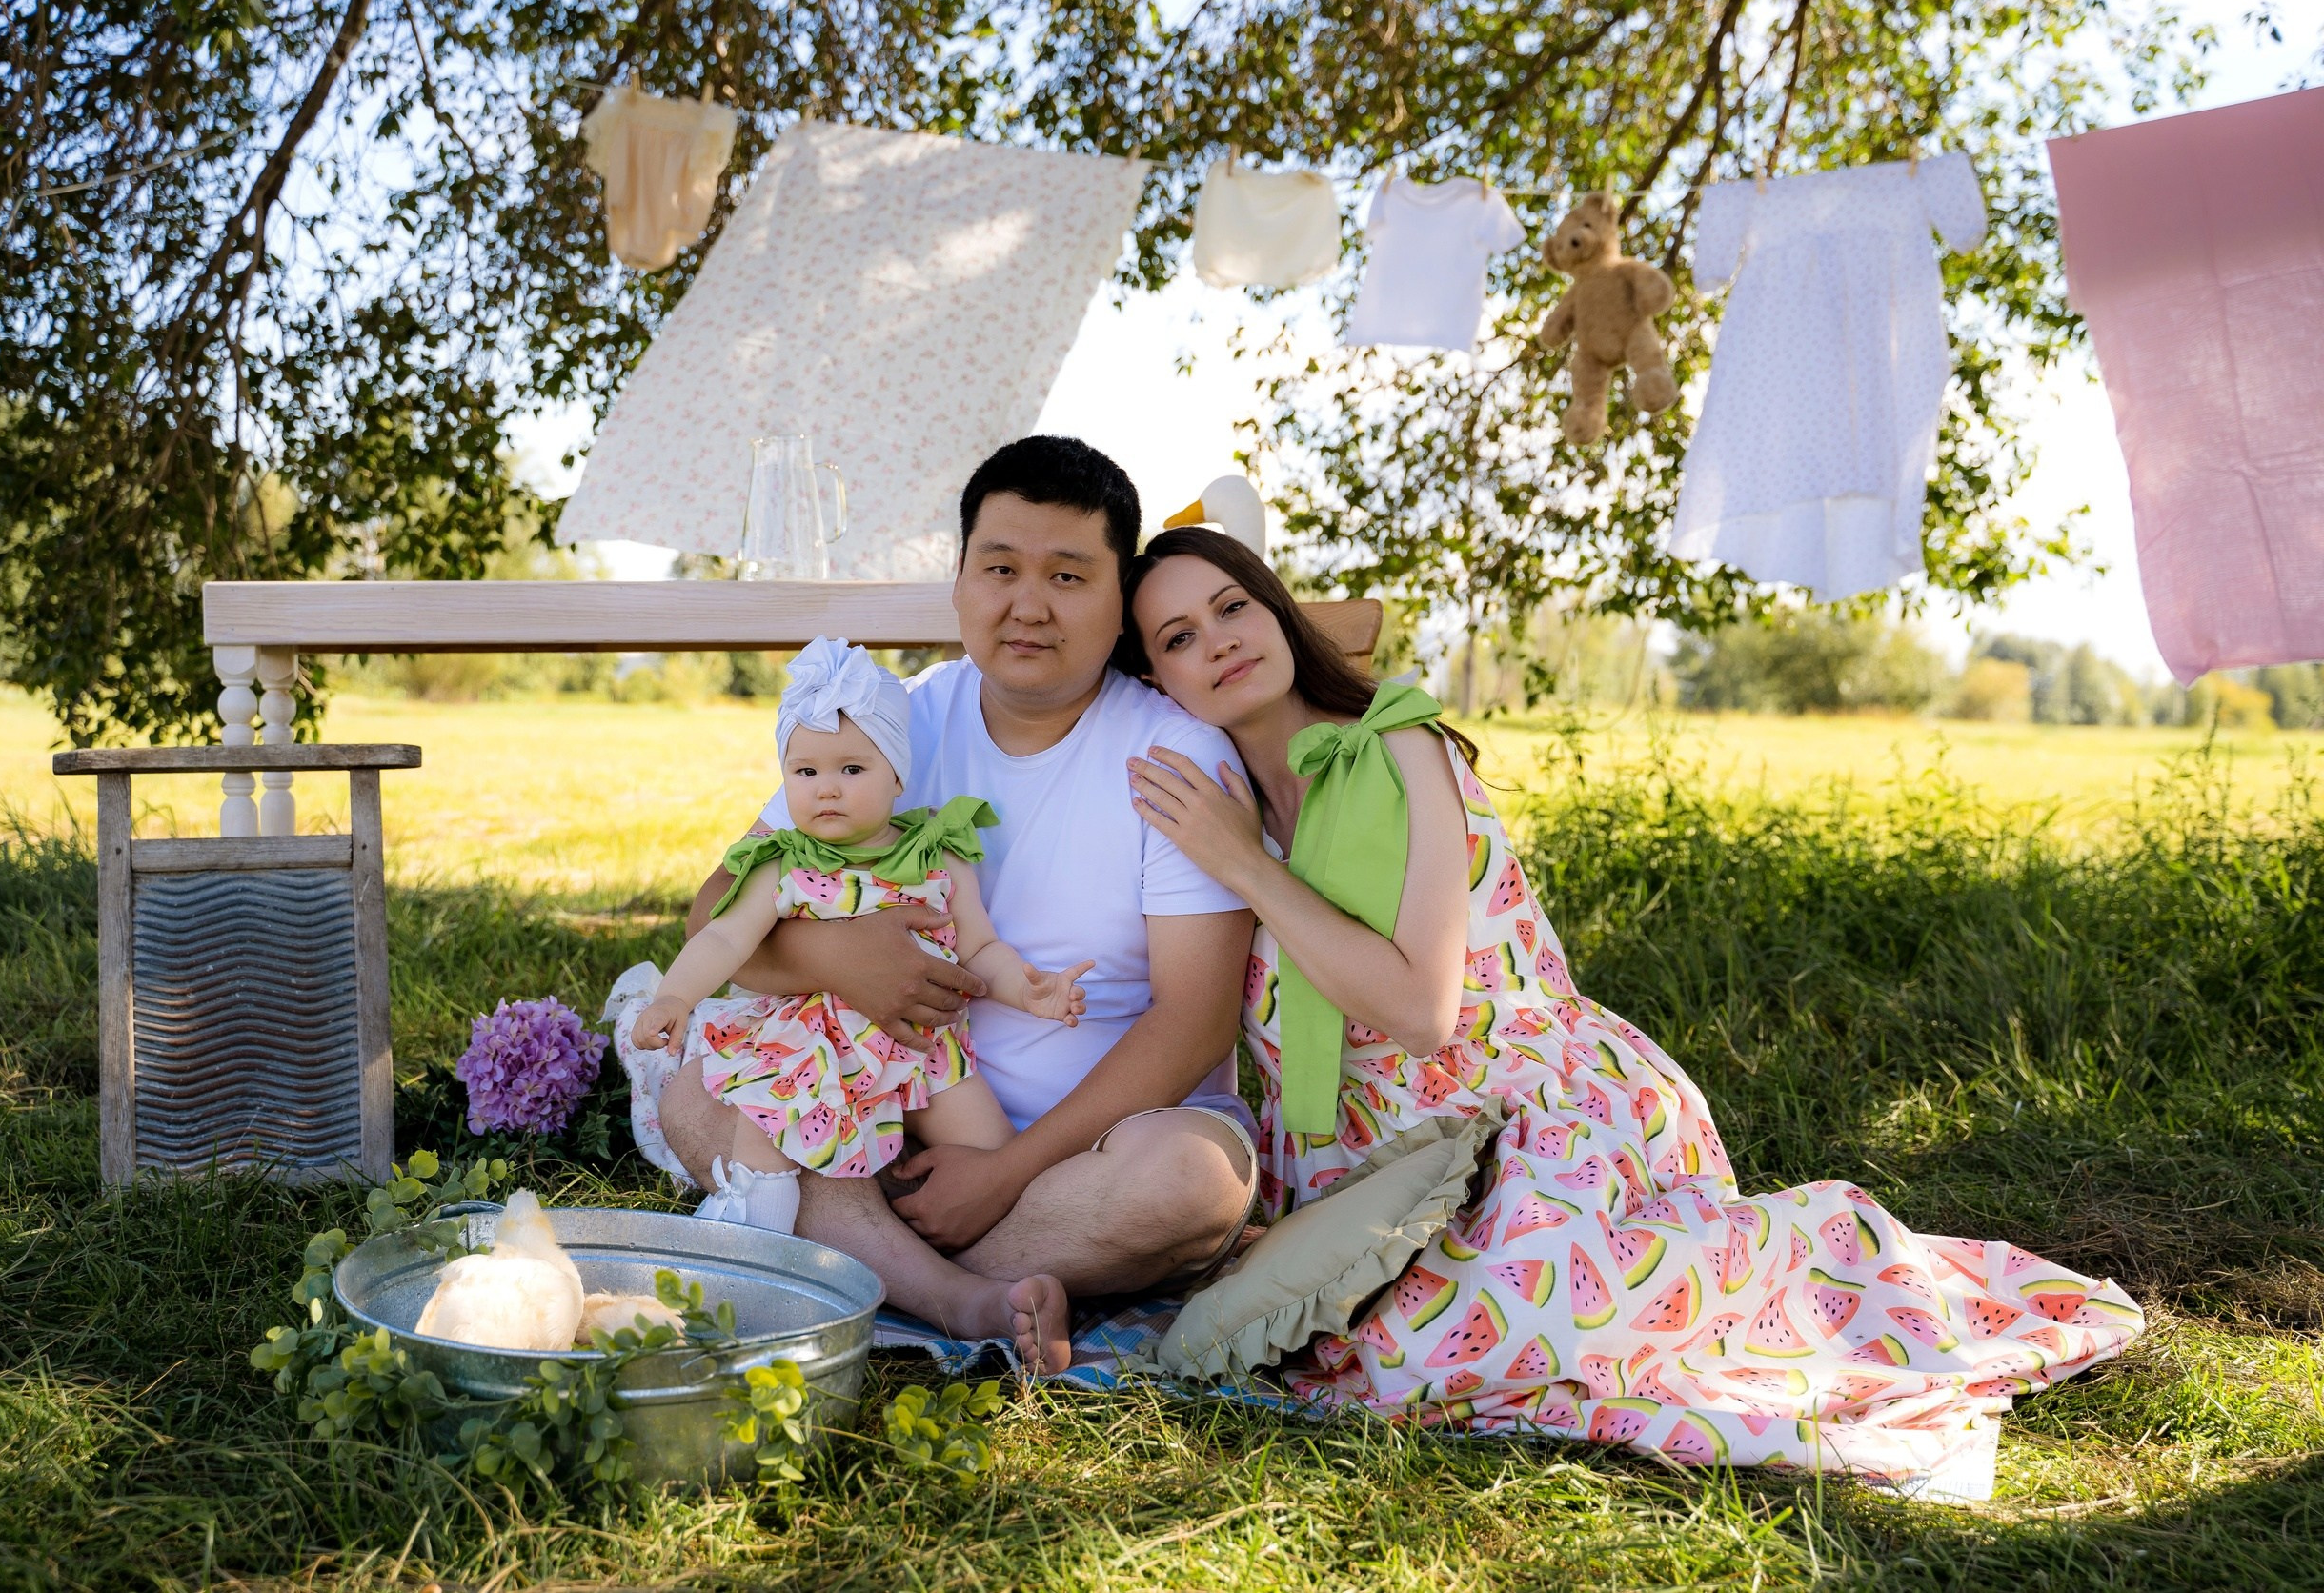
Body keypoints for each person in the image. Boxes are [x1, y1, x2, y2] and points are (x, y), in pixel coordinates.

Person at [1120, 525, 2145, 1488]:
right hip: (1358, 1157)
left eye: (1232, 607)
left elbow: (1423, 1014)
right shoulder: (1219, 810)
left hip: (1523, 1115)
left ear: (1276, 611)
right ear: (1156, 679)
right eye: (1178, 636)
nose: (1218, 641)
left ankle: (1833, 1257)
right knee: (1357, 1358)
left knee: (1468, 1348)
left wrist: (1246, 867)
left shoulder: (1396, 746)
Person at [657, 437, 1259, 1374]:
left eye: (1068, 576)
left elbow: (1195, 1021)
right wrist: (838, 958)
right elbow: (716, 916)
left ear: (1120, 600)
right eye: (1000, 568)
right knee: (697, 1094)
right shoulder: (890, 719)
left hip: (1097, 1151)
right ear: (960, 579)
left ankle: (857, 1257)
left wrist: (1005, 1174)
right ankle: (962, 1293)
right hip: (879, 1117)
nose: (1028, 605)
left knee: (1196, 1183)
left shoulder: (1176, 757)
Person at [603, 636, 1092, 1238]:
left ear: (897, 777)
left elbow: (980, 951)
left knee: (996, 1159)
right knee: (767, 1130)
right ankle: (754, 1224)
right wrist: (675, 997)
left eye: (851, 769)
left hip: (926, 1048)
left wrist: (1029, 990)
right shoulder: (783, 865)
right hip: (813, 1049)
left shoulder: (938, 859)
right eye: (805, 772)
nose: (826, 788)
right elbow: (724, 939)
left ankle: (1006, 1245)